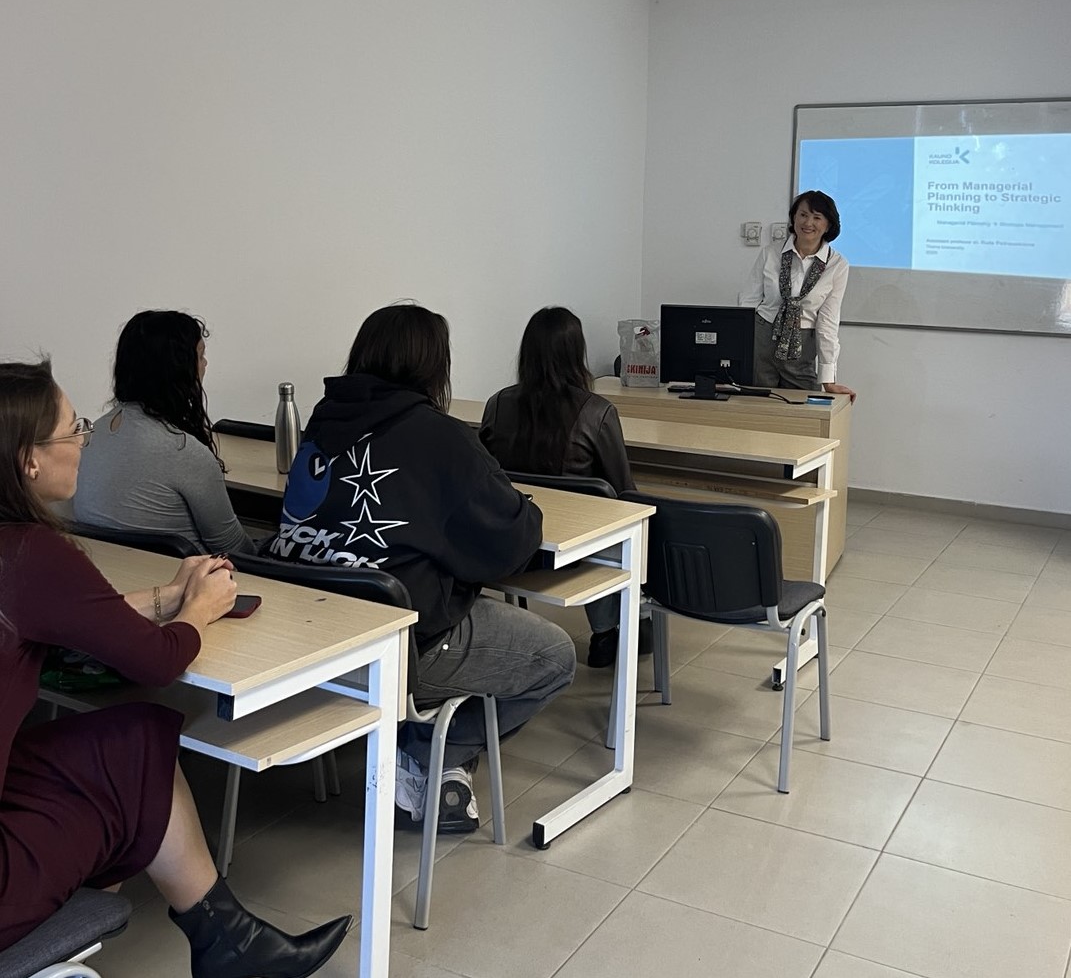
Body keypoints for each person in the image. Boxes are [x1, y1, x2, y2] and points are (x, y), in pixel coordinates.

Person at [0, 360, 351, 975]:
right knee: (134, 754)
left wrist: (170, 597)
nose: (85, 441)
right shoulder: (30, 551)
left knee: (125, 738)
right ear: (29, 459)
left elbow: (74, 617)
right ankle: (227, 948)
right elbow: (156, 661)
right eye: (72, 429)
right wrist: (201, 611)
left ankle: (226, 941)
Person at [266, 304, 576, 833]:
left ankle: (423, 753)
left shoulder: (322, 418)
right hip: (399, 641)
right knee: (556, 656)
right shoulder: (439, 436)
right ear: (434, 365)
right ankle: (430, 752)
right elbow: (513, 542)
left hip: (312, 632)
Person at [479, 306, 652, 668]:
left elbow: (486, 474)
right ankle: (611, 631)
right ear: (577, 353)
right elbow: (624, 491)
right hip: (575, 548)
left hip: (513, 541)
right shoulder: (597, 411)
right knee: (620, 520)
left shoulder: (497, 404)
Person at [72, 310, 255, 553]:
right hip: (186, 573)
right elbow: (233, 549)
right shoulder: (184, 452)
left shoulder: (93, 434)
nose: (205, 364)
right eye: (200, 356)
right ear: (179, 370)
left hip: (112, 568)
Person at [739, 191, 856, 402]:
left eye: (817, 217)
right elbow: (748, 302)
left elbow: (828, 322)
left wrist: (828, 379)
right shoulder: (771, 253)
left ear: (828, 225)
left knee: (802, 411)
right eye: (803, 215)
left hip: (802, 347)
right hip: (761, 340)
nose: (808, 223)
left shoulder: (837, 265)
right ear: (794, 217)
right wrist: (739, 351)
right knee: (756, 409)